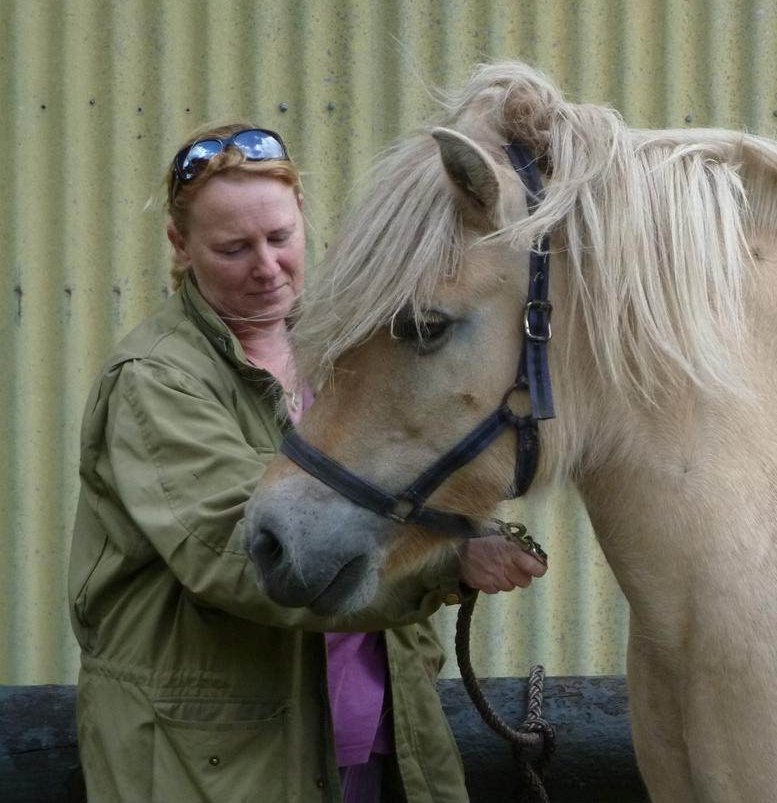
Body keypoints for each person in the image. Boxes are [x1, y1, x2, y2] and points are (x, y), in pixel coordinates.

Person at [67, 123, 547, 803]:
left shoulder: (351, 347)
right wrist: (449, 561)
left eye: (280, 237)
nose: (266, 266)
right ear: (180, 245)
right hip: (217, 766)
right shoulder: (155, 381)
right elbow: (235, 554)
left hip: (381, 742)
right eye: (234, 248)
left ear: (302, 215)